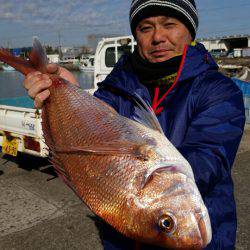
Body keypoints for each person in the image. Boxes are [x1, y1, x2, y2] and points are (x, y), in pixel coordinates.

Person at [23, 0, 245, 249]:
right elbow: (93, 132)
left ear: (190, 31)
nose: (158, 37)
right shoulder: (117, 84)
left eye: (169, 24)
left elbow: (210, 158)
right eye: (145, 28)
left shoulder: (218, 91)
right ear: (135, 35)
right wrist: (69, 91)